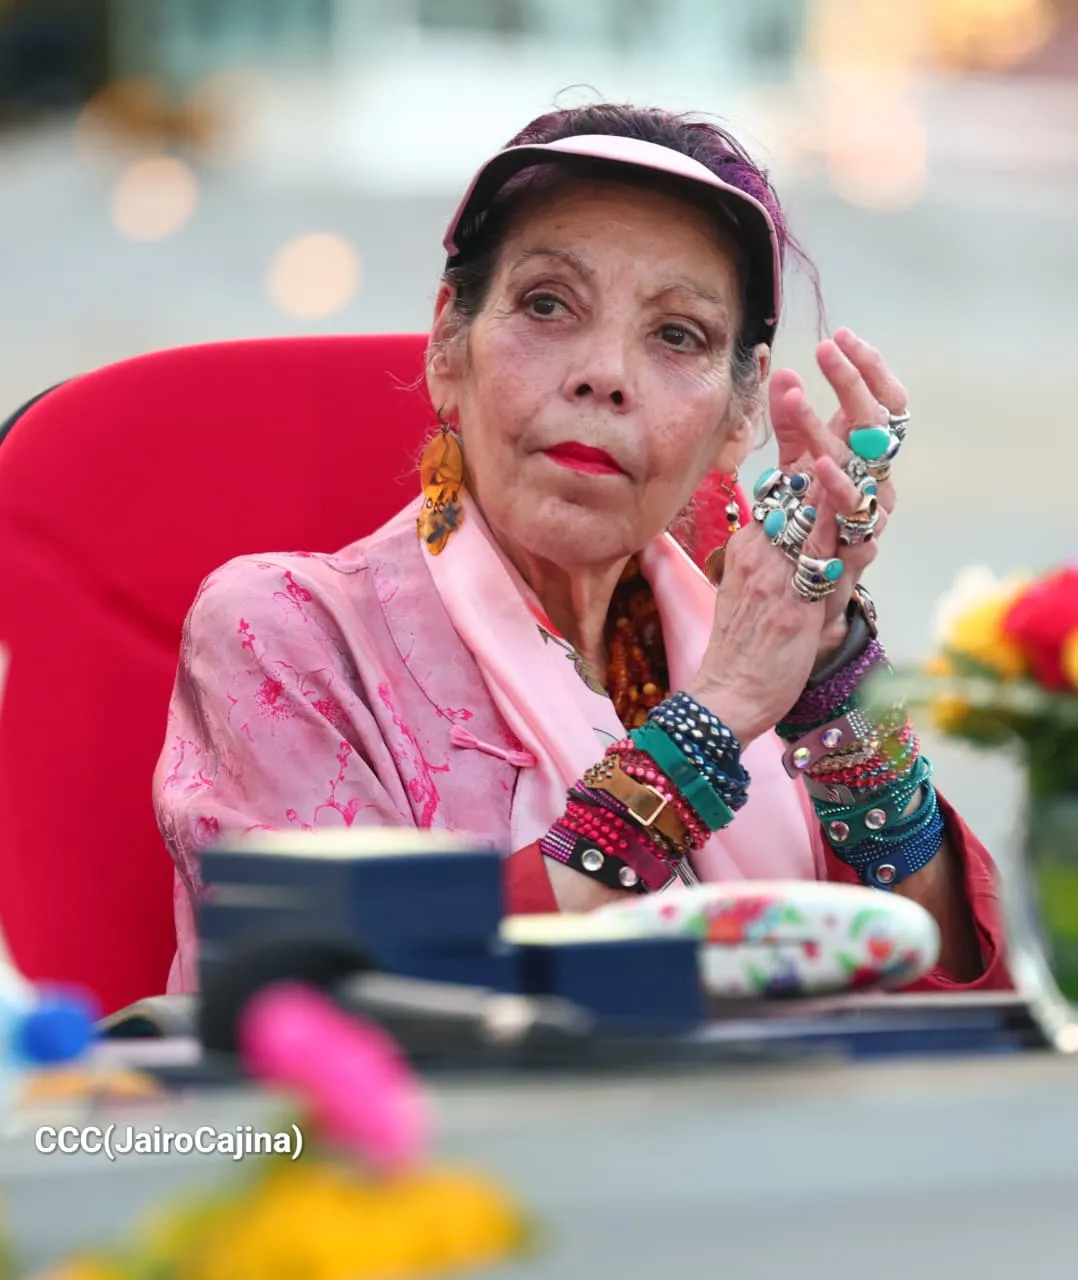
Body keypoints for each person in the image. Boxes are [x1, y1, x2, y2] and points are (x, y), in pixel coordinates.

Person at [154, 104, 1008, 995]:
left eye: (677, 334)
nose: (604, 373)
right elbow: (336, 1006)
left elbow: (963, 1008)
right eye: (548, 304)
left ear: (740, 418)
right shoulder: (283, 633)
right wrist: (709, 727)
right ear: (447, 343)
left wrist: (830, 676)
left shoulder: (756, 656)